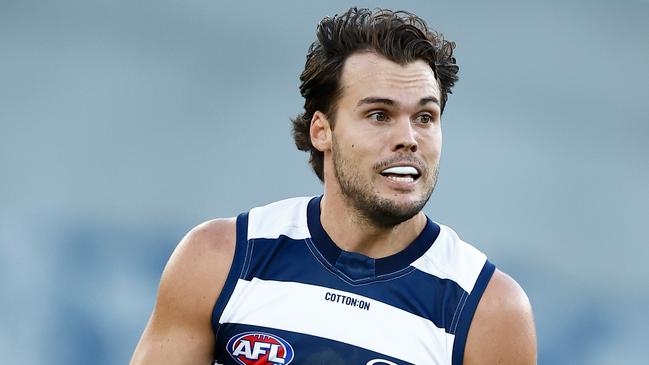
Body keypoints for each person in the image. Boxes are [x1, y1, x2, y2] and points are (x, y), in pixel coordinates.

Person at [130, 7, 537, 365]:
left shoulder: (489, 309)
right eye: (379, 114)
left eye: (425, 117)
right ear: (322, 130)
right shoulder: (221, 258)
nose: (409, 137)